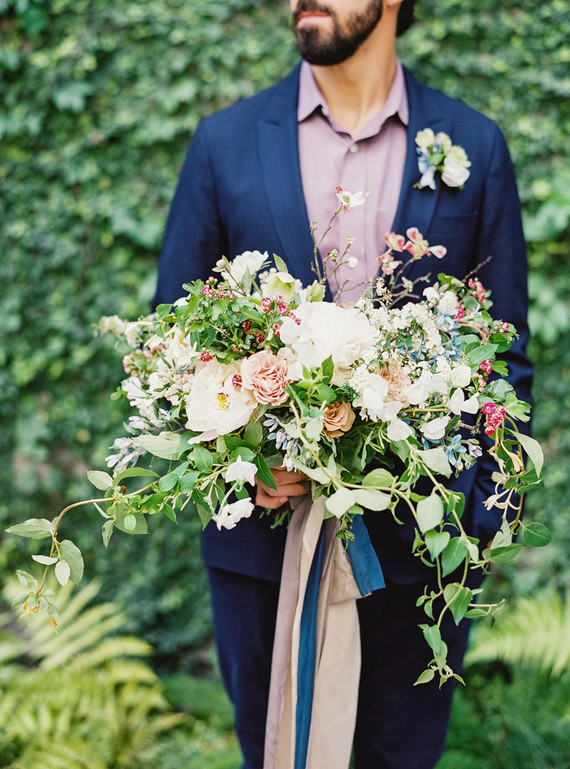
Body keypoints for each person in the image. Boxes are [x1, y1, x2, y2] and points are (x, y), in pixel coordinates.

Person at [153, 1, 532, 767]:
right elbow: (174, 347)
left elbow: (505, 362)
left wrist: (471, 532)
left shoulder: (472, 146)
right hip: (262, 559)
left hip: (418, 558)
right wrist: (247, 463)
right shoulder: (225, 143)